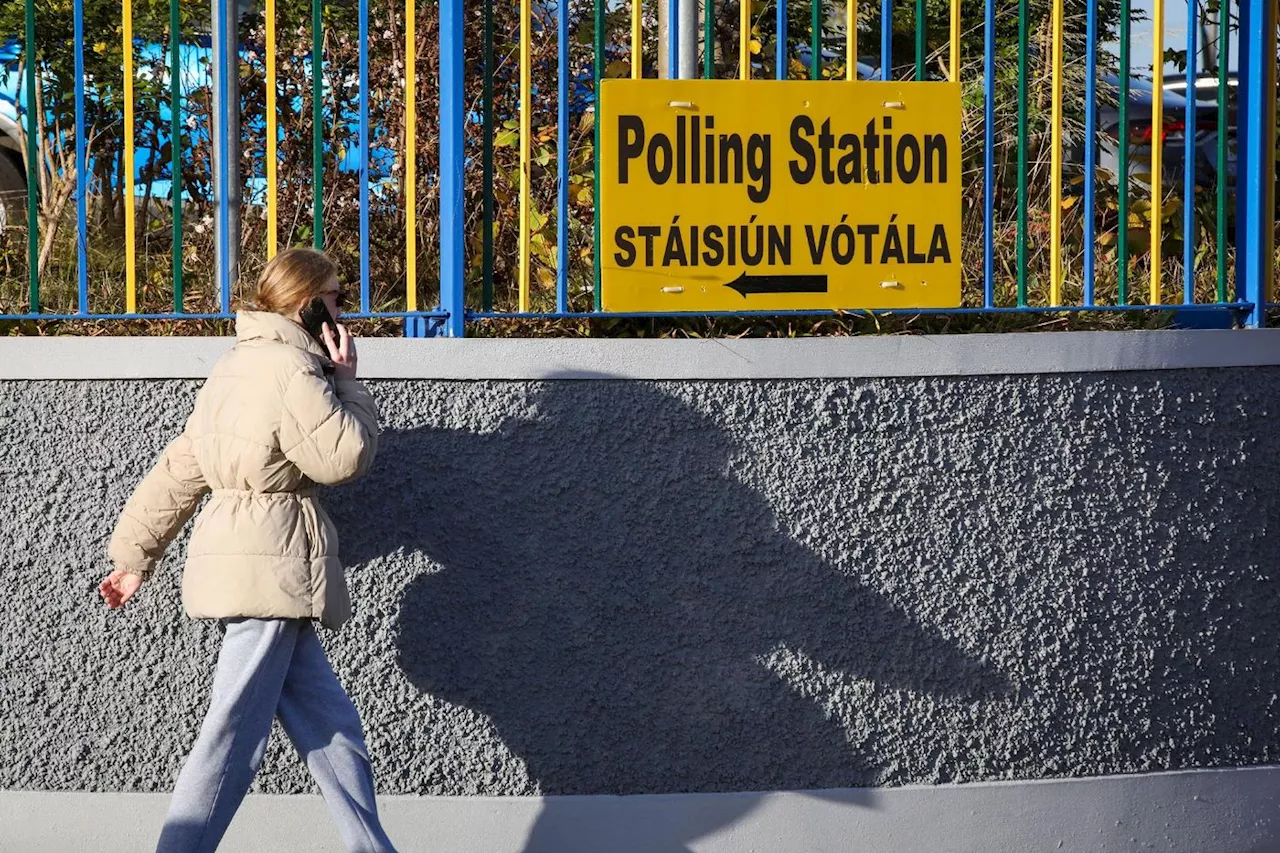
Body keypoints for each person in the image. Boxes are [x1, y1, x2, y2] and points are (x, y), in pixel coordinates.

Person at [98, 247, 398, 853]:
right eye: (338, 299)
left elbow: (181, 467)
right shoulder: (293, 372)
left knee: (333, 729)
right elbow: (344, 456)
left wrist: (133, 556)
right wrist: (349, 382)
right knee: (232, 734)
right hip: (271, 567)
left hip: (265, 568)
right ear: (309, 306)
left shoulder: (234, 365)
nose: (347, 311)